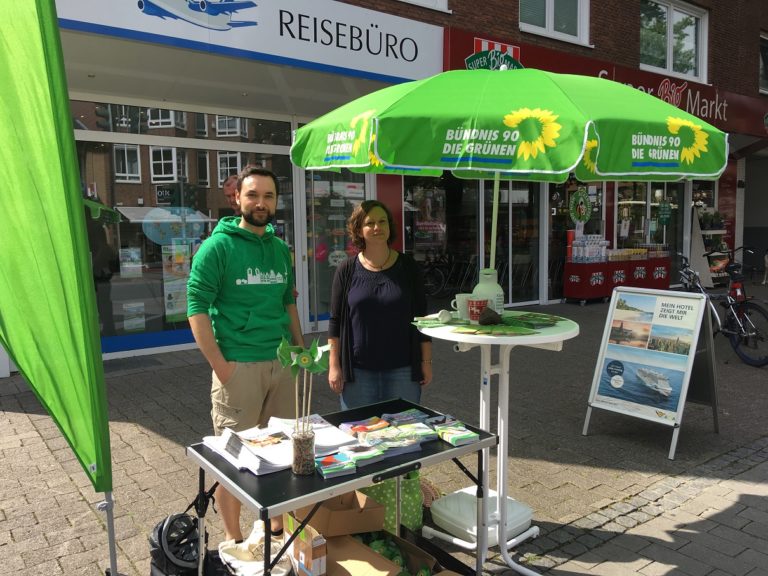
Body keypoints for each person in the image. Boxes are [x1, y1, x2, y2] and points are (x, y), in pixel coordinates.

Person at [187, 165, 303, 544]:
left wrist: (299, 351)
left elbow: (287, 302)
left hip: (283, 365)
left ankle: (274, 527)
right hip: (240, 369)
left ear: (276, 202)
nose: (260, 203)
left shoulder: (279, 249)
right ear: (236, 197)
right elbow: (196, 307)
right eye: (252, 195)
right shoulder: (217, 247)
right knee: (233, 461)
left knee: (284, 454)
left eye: (268, 196)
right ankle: (233, 543)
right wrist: (222, 367)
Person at [327, 200, 433, 410]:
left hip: (402, 371)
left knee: (405, 436)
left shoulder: (408, 267)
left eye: (382, 222)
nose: (377, 227)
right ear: (359, 230)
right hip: (358, 374)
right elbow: (335, 321)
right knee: (359, 435)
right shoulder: (346, 269)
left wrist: (426, 362)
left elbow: (423, 319)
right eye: (370, 223)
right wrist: (334, 365)